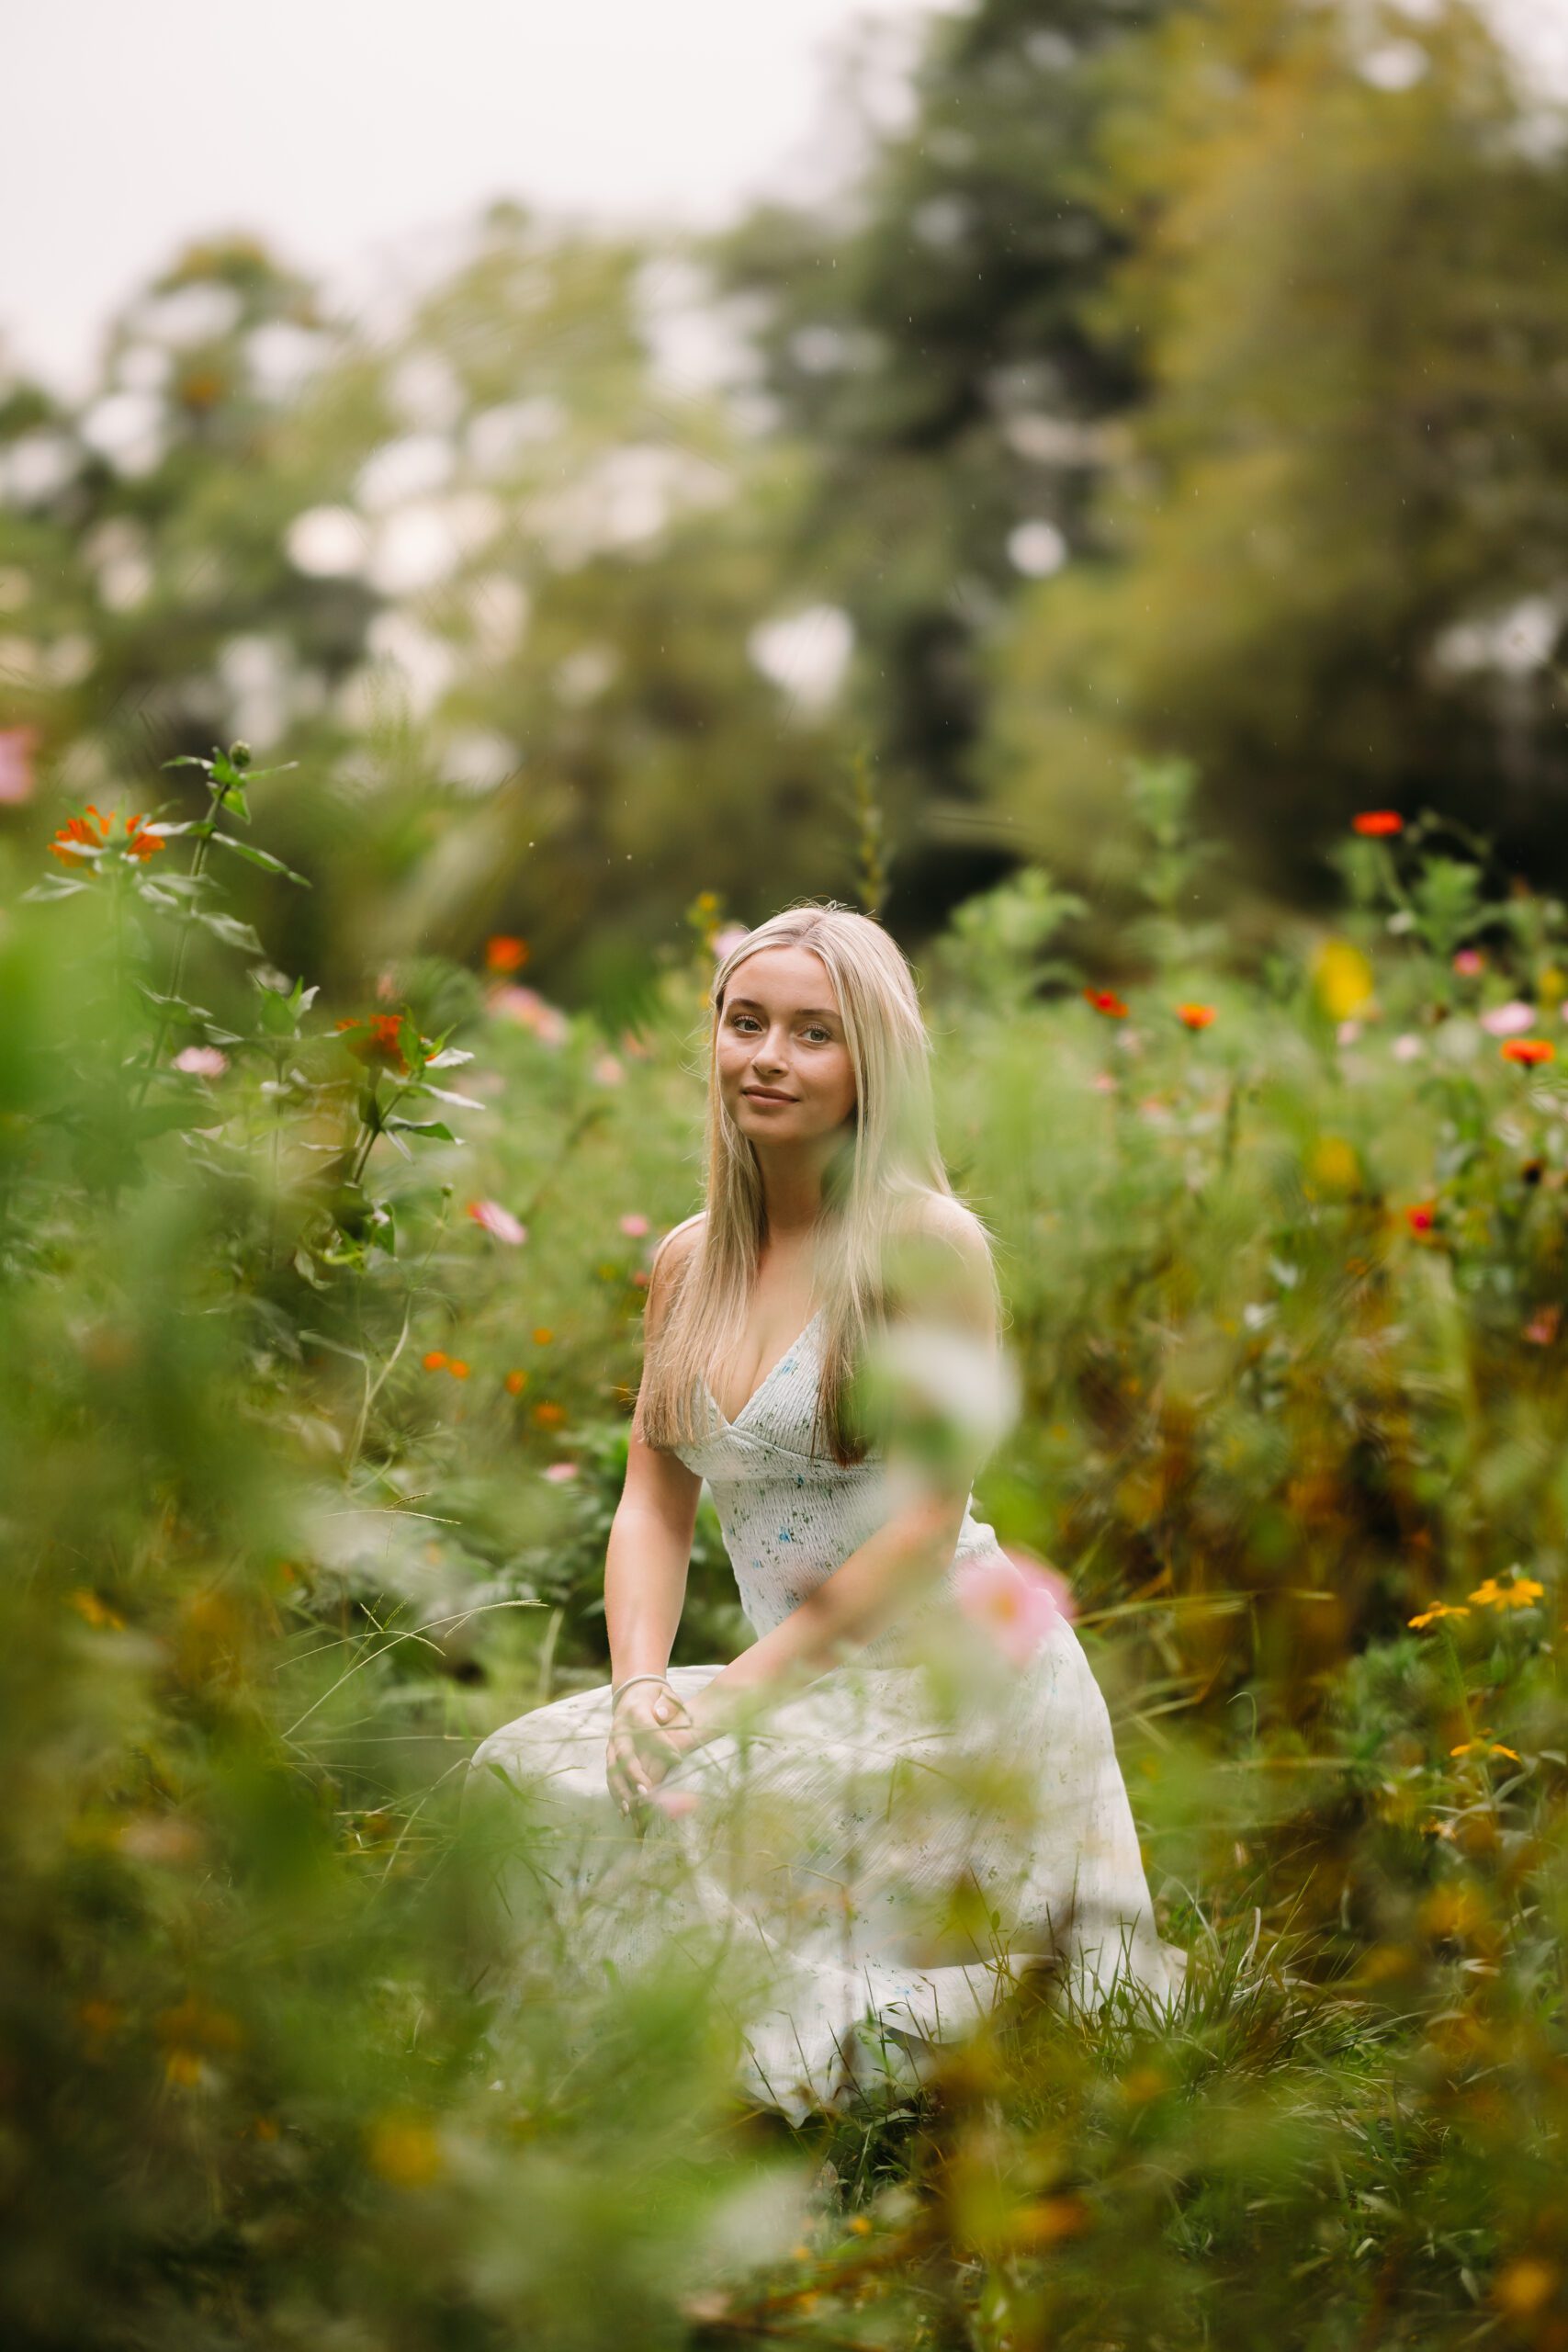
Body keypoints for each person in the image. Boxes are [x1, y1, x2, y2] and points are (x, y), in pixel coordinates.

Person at [466, 902, 1185, 2118]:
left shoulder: (930, 1247)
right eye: (745, 1024)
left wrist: (739, 1694)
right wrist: (643, 1684)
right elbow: (652, 1501)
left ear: (874, 1065)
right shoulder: (689, 1262)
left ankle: (732, 2075)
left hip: (958, 1684)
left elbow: (922, 1524)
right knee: (520, 1772)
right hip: (793, 1675)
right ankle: (600, 2081)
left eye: (812, 1034)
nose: (767, 1057)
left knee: (674, 1811)